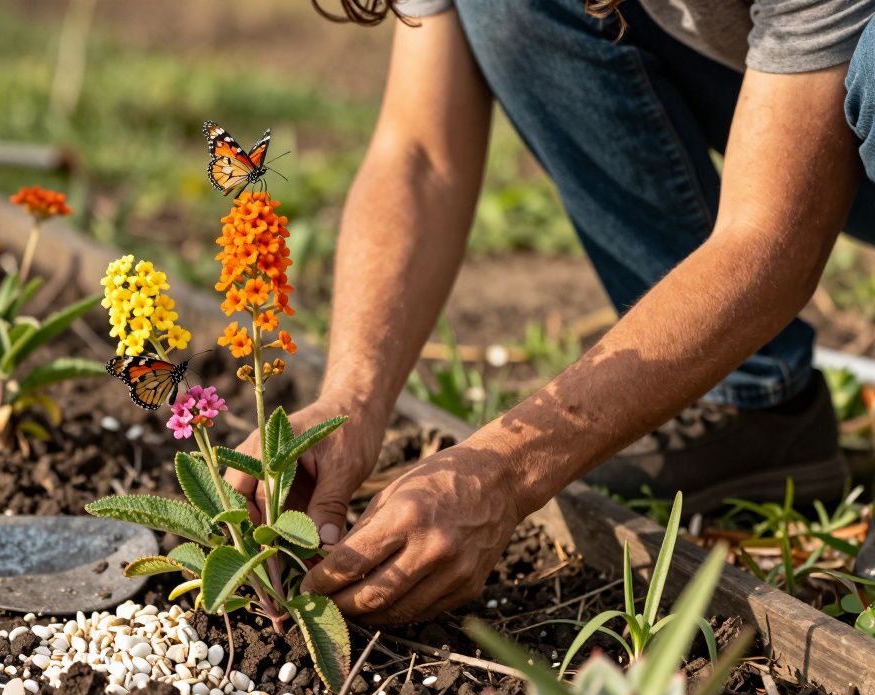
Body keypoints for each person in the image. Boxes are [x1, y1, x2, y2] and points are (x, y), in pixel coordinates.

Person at [223, 0, 875, 626]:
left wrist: (506, 469)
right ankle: (747, 409)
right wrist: (352, 401)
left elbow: (769, 241)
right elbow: (420, 155)